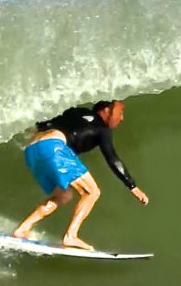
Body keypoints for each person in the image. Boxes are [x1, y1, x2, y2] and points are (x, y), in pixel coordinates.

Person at [13, 100, 149, 250]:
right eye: (120, 113)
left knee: (64, 196)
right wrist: (132, 186)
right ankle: (71, 236)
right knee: (92, 192)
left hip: (32, 150)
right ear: (104, 110)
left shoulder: (75, 113)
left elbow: (43, 124)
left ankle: (23, 229)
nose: (121, 118)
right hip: (54, 147)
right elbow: (112, 158)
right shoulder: (102, 128)